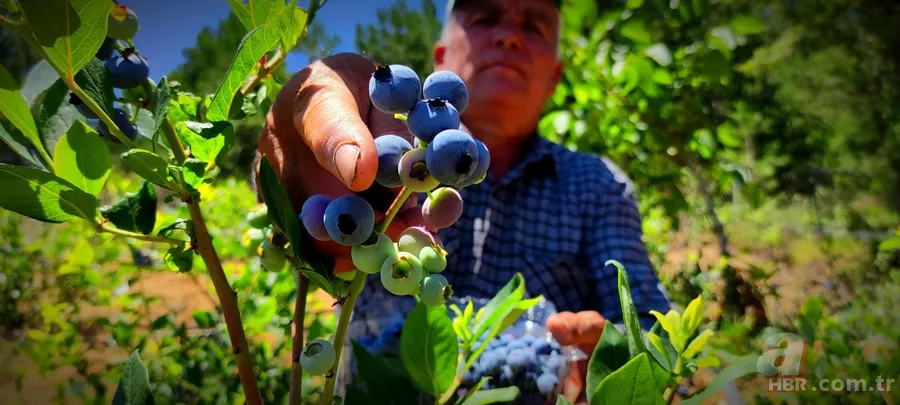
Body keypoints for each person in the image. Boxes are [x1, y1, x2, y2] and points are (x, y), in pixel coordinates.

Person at [256, 0, 670, 399]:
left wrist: (614, 359)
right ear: (440, 59)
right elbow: (291, 204)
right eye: (484, 18)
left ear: (555, 77)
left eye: (533, 25)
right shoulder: (383, 145)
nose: (508, 36)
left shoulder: (598, 185)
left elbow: (649, 325)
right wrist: (289, 163)